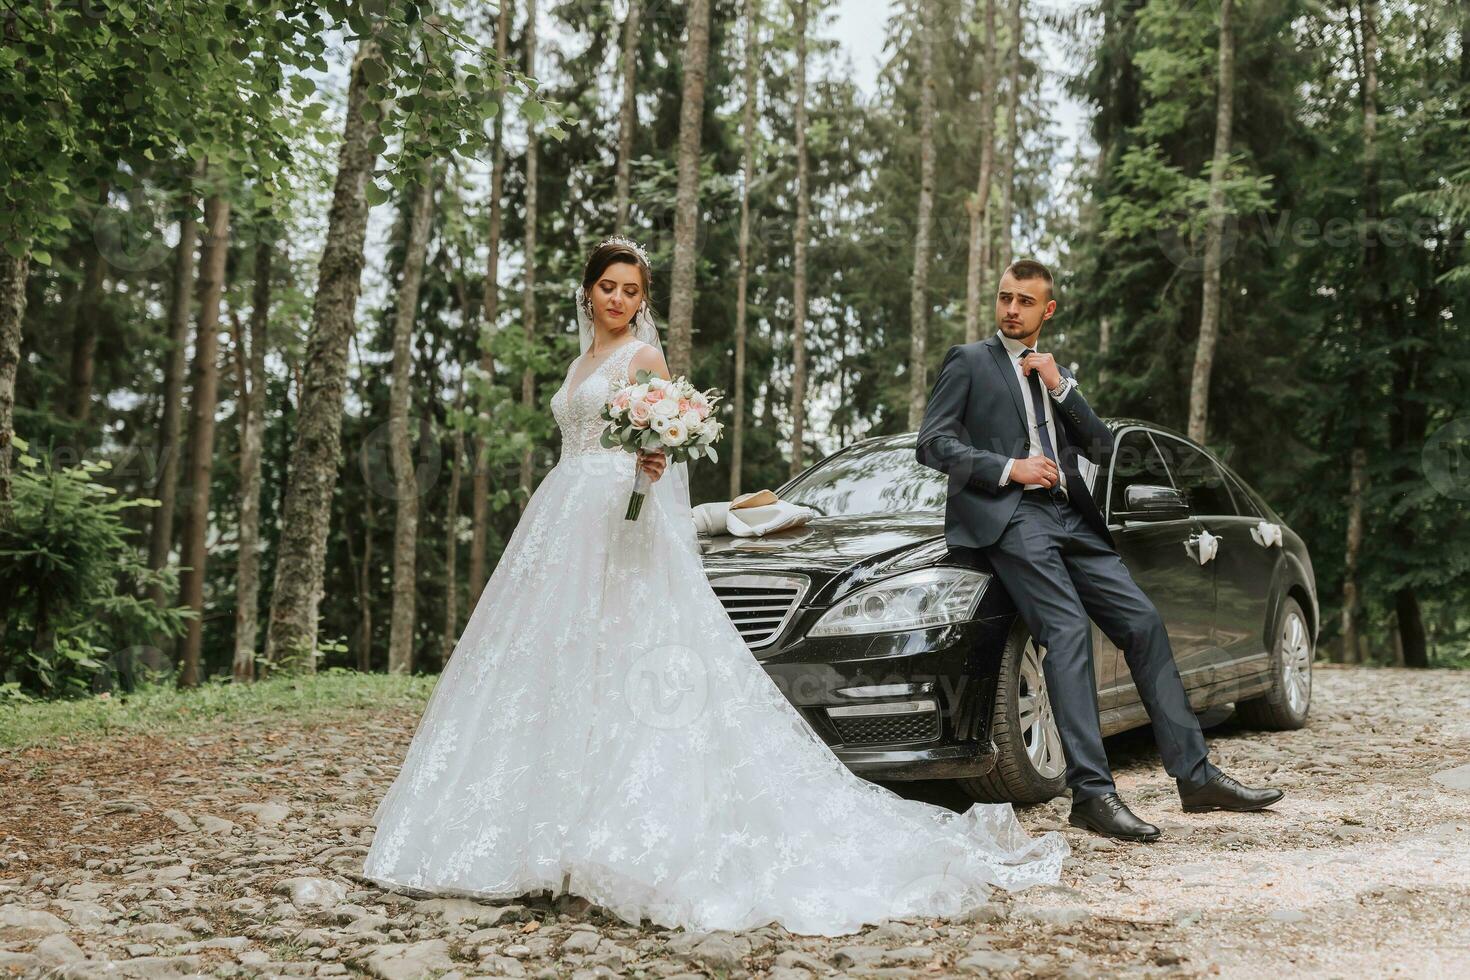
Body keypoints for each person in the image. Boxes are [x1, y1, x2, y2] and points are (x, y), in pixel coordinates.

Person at [362, 238, 1069, 937]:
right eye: (608, 286)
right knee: (557, 665)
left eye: (632, 291)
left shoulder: (644, 358)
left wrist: (652, 461)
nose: (618, 299)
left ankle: (617, 835)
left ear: (643, 302)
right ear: (588, 291)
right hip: (562, 522)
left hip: (619, 513)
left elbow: (660, 452)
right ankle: (540, 831)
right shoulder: (581, 361)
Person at [915, 258, 1284, 843]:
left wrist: (1061, 387)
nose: (1011, 309)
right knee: (1065, 630)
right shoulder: (969, 362)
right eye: (1005, 298)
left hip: (1071, 515)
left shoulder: (1053, 373)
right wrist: (1010, 467)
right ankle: (1092, 794)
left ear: (1047, 310)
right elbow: (932, 444)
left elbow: (1101, 444)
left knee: (1141, 622)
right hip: (1012, 517)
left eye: (1025, 301)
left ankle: (1196, 776)